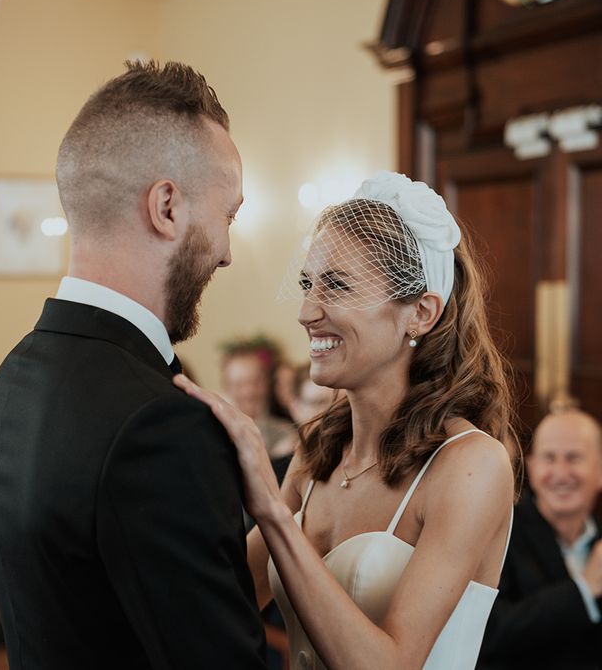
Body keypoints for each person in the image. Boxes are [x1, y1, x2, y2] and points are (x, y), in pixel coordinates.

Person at [0, 61, 268, 669]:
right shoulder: (160, 425)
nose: (228, 253)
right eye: (228, 216)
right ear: (166, 207)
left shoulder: (16, 372)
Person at [176, 170, 520, 670]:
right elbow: (221, 603)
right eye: (307, 283)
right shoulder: (319, 450)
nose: (306, 311)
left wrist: (272, 511)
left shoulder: (472, 465)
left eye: (336, 286)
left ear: (420, 313)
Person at [478, 408, 602, 669]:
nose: (560, 472)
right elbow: (487, 634)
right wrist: (583, 590)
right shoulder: (501, 530)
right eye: (549, 458)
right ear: (532, 468)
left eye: (574, 458)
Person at [221, 342, 297, 454]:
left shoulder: (285, 433)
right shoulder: (217, 433)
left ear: (266, 383)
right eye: (239, 384)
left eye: (255, 382)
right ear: (227, 387)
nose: (249, 392)